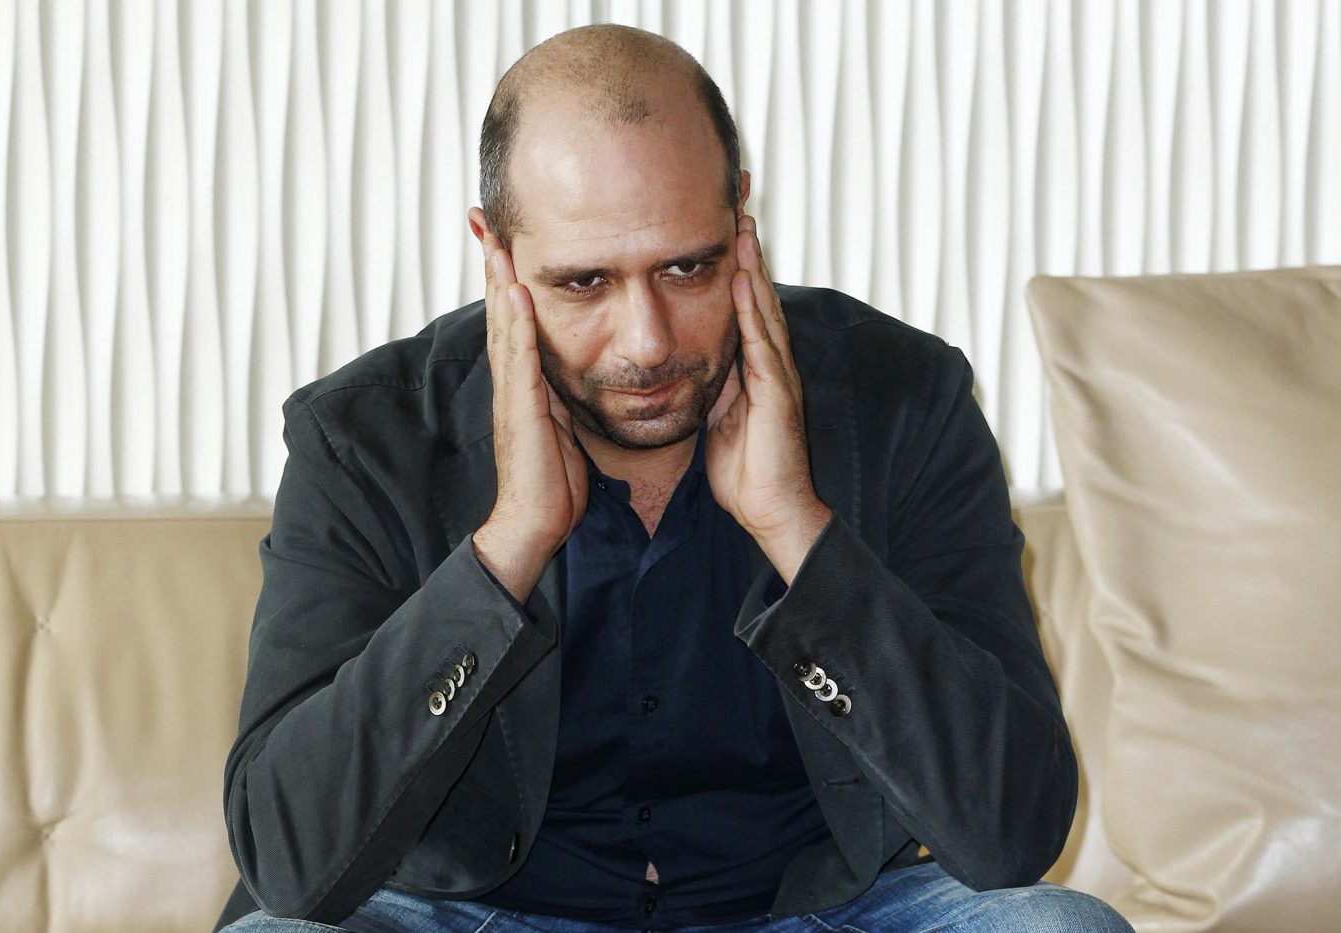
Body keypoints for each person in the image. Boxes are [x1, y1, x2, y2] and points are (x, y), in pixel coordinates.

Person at [218, 24, 1130, 933]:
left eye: (687, 267)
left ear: (740, 217)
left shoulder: (903, 401)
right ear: (495, 252)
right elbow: (289, 864)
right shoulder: (366, 437)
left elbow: (1014, 833)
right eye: (584, 283)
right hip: (480, 915)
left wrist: (796, 526)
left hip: (823, 913)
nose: (648, 341)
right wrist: (506, 549)